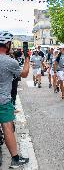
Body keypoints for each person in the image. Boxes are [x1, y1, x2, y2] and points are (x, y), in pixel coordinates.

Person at [0, 31, 29, 168]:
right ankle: (15, 159)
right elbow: (24, 74)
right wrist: (27, 58)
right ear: (7, 44)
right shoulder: (10, 62)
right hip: (3, 101)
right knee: (7, 127)